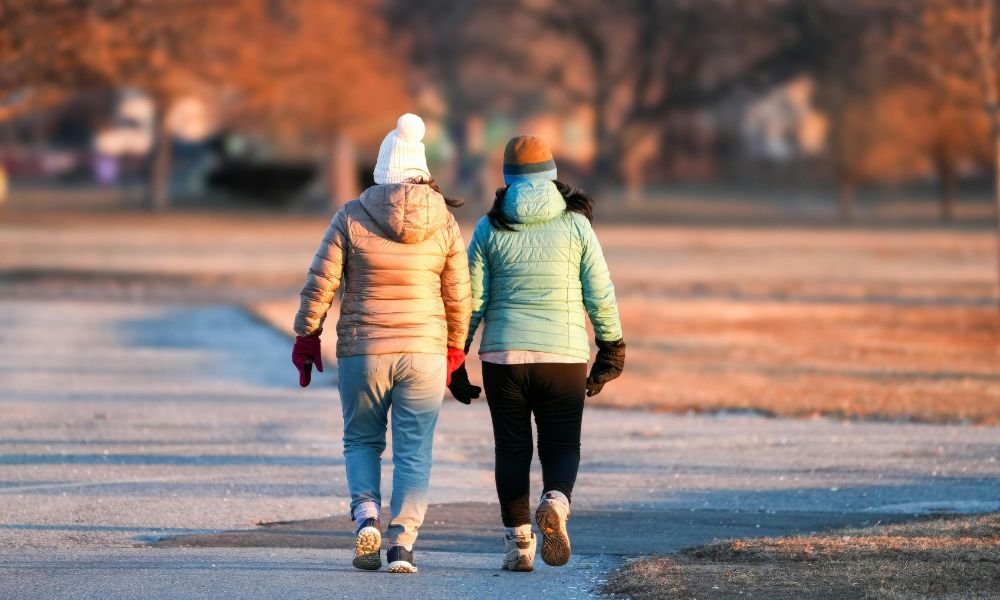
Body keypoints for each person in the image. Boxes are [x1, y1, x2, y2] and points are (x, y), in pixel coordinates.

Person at [291, 114, 471, 574]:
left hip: (363, 350)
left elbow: (321, 281)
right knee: (414, 449)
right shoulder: (444, 222)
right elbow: (458, 293)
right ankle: (402, 544)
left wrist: (307, 335)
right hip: (424, 352)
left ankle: (366, 515)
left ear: (381, 169)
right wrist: (455, 347)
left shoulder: (351, 215)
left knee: (361, 440)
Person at [449, 135, 625, 572]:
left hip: (503, 358)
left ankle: (519, 545)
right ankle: (556, 502)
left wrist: (457, 357)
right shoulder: (576, 225)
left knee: (511, 450)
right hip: (562, 355)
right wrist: (611, 348)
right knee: (562, 444)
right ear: (552, 173)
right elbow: (599, 292)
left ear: (507, 177)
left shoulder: (490, 226)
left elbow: (472, 299)